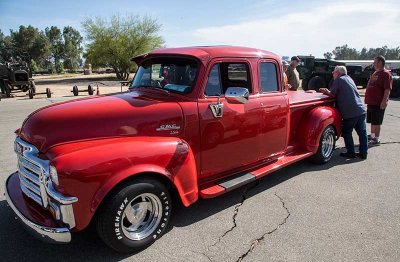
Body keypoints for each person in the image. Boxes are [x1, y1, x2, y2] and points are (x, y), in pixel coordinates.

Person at [319, 66, 368, 159]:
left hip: (350, 112)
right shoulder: (349, 78)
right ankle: (363, 153)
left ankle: (351, 152)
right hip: (360, 110)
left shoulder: (339, 80)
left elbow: (332, 94)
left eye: (333, 72)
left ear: (338, 73)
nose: (332, 74)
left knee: (346, 132)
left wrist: (325, 91)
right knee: (362, 133)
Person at [364, 55, 392, 146]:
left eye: (375, 62)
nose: (374, 64)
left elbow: (387, 89)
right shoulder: (375, 72)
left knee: (377, 122)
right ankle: (372, 136)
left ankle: (376, 139)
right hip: (371, 102)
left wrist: (384, 101)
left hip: (378, 102)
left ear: (380, 63)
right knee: (372, 121)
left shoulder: (386, 74)